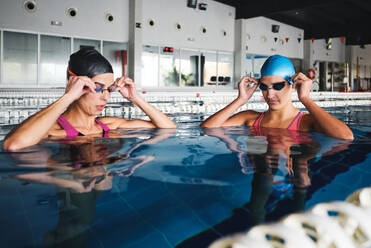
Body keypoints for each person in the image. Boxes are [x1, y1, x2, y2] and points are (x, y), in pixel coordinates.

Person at [3, 48, 176, 151]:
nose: (105, 96)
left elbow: (168, 128)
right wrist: (68, 96)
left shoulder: (109, 124)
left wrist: (135, 98)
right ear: (77, 85)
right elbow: (13, 145)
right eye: (98, 87)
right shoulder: (52, 131)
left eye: (109, 89)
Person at [200, 55, 354, 140]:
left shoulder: (306, 122)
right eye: (264, 87)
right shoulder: (250, 117)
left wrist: (306, 99)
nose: (270, 94)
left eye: (278, 86)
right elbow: (207, 128)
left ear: (292, 85)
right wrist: (241, 100)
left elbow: (346, 136)